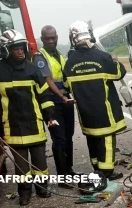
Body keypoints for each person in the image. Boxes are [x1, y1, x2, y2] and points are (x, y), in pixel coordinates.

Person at [0, 29, 56, 206]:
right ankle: (24, 193)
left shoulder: (32, 69)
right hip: (13, 126)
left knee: (40, 161)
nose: (21, 51)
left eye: (22, 48)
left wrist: (50, 117)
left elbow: (44, 96)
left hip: (35, 124)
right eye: (16, 48)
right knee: (21, 165)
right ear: (6, 50)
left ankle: (42, 188)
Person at [63, 20, 125, 182]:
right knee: (107, 140)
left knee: (92, 141)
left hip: (86, 113)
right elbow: (119, 73)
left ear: (72, 38)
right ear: (89, 34)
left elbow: (66, 85)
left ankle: (97, 169)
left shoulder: (69, 63)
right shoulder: (102, 57)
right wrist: (115, 60)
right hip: (104, 111)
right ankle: (107, 173)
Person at [32, 25, 81, 189]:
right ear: (42, 39)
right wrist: (62, 97)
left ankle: (69, 169)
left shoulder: (59, 55)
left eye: (53, 38)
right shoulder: (40, 57)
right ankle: (63, 177)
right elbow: (48, 80)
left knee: (68, 136)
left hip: (65, 102)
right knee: (59, 138)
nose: (51, 41)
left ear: (57, 37)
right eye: (47, 38)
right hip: (52, 104)